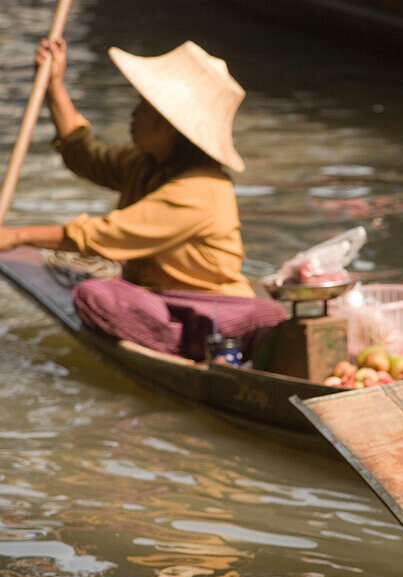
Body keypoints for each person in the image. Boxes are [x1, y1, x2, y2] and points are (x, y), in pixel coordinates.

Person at [0, 39, 285, 361]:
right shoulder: (144, 163)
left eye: (143, 107)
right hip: (160, 301)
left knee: (94, 294)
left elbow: (103, 235)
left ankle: (198, 348)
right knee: (102, 293)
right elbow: (84, 155)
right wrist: (54, 85)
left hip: (212, 310)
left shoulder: (202, 190)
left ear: (169, 126)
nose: (133, 114)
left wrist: (15, 236)